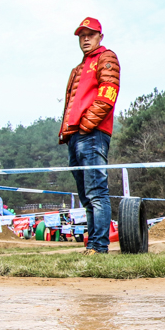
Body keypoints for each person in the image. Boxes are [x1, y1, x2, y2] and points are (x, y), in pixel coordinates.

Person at [58, 17, 120, 255]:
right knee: (86, 196)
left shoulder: (106, 58)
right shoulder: (78, 68)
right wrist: (68, 131)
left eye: (90, 34)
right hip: (75, 135)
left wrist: (86, 125)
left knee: (96, 192)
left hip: (92, 134)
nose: (85, 39)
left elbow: (108, 93)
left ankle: (99, 246)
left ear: (100, 37)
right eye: (81, 35)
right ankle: (92, 245)